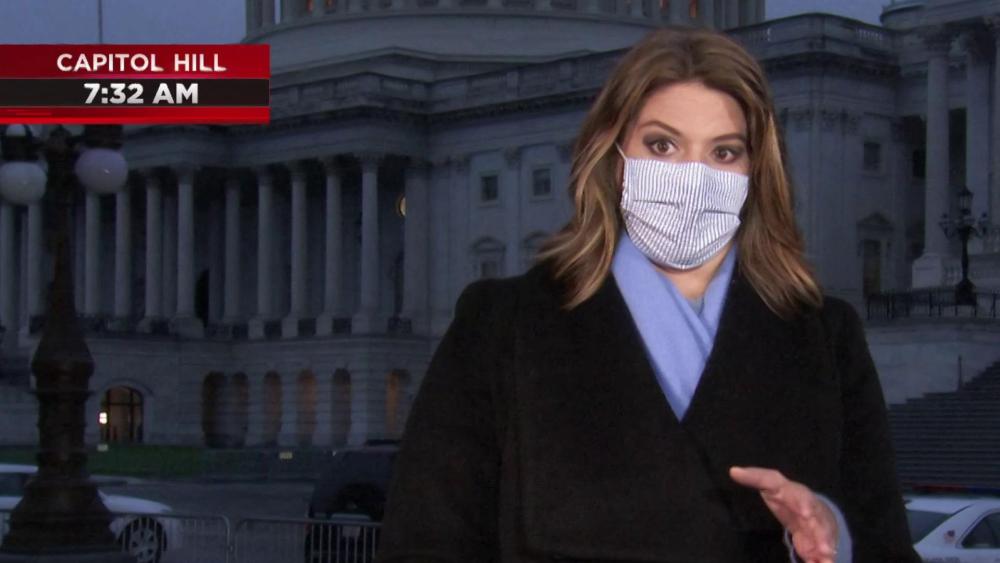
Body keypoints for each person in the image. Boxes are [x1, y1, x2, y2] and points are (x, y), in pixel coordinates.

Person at [375, 26, 921, 563]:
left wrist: (833, 542)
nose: (693, 178)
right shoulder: (503, 326)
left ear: (756, 171)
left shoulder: (825, 337)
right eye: (662, 145)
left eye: (724, 153)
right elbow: (425, 544)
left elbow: (885, 546)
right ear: (614, 156)